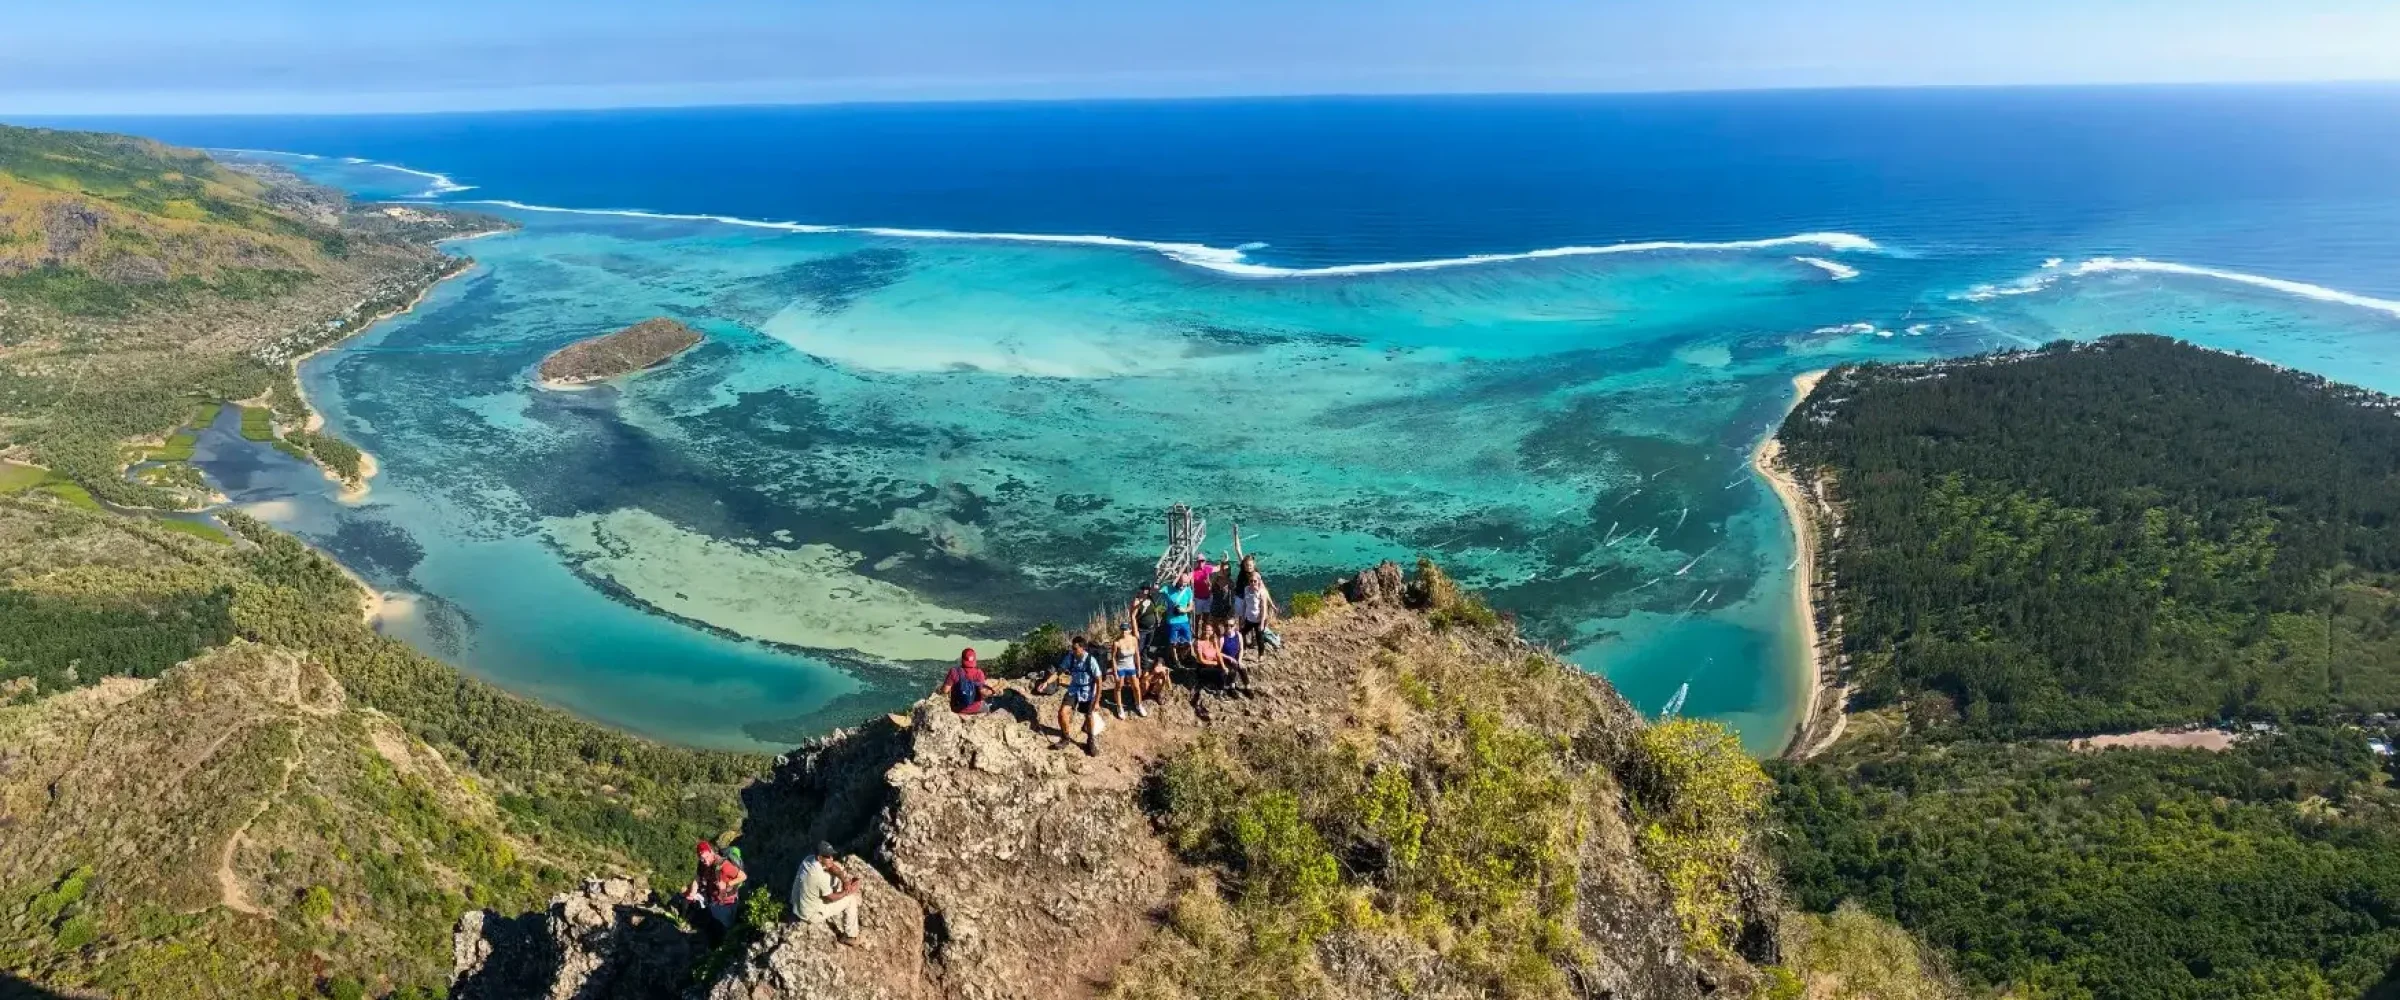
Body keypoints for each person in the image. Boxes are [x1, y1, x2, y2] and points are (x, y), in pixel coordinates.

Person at [792, 842, 863, 945]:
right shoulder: (817, 876)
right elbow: (831, 898)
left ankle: (840, 887)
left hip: (797, 904)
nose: (831, 858)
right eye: (827, 857)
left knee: (838, 870)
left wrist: (845, 880)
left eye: (831, 855)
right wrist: (847, 891)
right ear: (820, 858)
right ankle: (851, 936)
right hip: (810, 914)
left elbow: (832, 866)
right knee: (851, 900)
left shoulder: (809, 859)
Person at [1050, 635, 1104, 754]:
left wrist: (1097, 701)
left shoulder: (1091, 661)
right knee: (1062, 713)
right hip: (1074, 688)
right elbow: (1060, 671)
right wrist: (1046, 682)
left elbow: (1099, 681)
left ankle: (1090, 741)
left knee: (1089, 716)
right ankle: (1065, 738)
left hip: (1088, 691)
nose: (1072, 650)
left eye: (1075, 648)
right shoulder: (1070, 657)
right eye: (1072, 648)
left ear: (1082, 648)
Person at [684, 841, 747, 931]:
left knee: (725, 927)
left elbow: (743, 876)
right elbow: (697, 879)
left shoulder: (723, 865)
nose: (705, 861)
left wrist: (727, 884)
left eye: (707, 857)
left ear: (711, 852)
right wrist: (692, 894)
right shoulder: (702, 865)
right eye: (702, 858)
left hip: (727, 903)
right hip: (713, 899)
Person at [1236, 558, 1276, 655]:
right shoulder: (1243, 574)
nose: (1248, 567)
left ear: (1253, 565)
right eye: (1247, 565)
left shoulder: (1256, 575)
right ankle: (1244, 646)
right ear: (1244, 565)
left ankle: (1256, 648)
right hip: (1243, 600)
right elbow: (1239, 554)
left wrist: (1271, 603)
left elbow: (1264, 591)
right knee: (1243, 626)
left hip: (1253, 603)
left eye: (1250, 565)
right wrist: (1236, 543)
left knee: (1257, 630)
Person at [1109, 621, 1148, 719]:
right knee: (1119, 687)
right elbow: (1113, 658)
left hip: (1131, 666)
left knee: (1136, 686)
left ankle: (1138, 705)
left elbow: (1137, 654)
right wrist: (1115, 672)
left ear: (1130, 630)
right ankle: (1119, 707)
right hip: (1120, 667)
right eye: (1122, 629)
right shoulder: (1116, 642)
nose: (1123, 631)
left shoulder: (1134, 640)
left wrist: (1139, 668)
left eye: (1125, 629)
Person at [939, 648, 994, 715]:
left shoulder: (953, 671)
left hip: (957, 708)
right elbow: (982, 693)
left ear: (962, 659)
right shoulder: (979, 673)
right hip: (975, 708)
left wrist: (940, 689)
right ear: (975, 660)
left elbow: (945, 690)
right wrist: (992, 691)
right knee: (988, 707)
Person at [1164, 575, 1197, 669]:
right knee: (1173, 642)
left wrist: (1184, 610)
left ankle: (1185, 656)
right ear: (1177, 581)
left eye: (1186, 583)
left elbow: (1191, 606)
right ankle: (1175, 660)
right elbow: (1156, 589)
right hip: (1172, 621)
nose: (1183, 585)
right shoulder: (1168, 589)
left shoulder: (1188, 590)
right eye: (1182, 582)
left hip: (1184, 620)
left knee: (1188, 641)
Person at [1220, 620, 1251, 696]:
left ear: (1235, 626)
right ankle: (1232, 688)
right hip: (1226, 660)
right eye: (1226, 625)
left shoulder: (1238, 635)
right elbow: (1218, 653)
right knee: (1232, 670)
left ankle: (1248, 688)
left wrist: (1240, 660)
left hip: (1236, 659)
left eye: (1231, 625)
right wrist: (1229, 658)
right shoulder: (1222, 638)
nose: (1228, 627)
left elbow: (1241, 649)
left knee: (1242, 669)